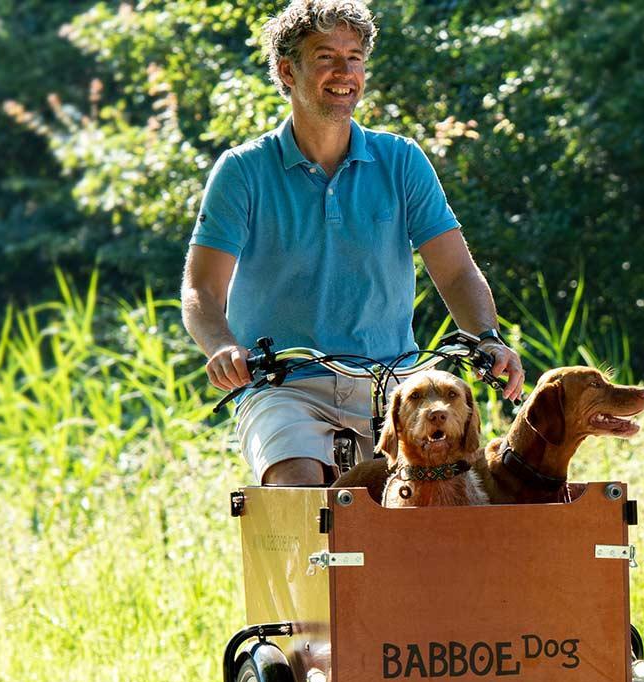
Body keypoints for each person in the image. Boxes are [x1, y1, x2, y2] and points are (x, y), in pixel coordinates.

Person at [181, 0, 524, 486]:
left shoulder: (401, 160)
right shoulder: (243, 171)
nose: (345, 72)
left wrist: (487, 337)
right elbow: (201, 290)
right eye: (325, 56)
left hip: (393, 386)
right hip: (285, 385)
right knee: (297, 485)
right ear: (287, 71)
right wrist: (220, 346)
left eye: (355, 57)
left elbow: (455, 271)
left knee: (438, 501)